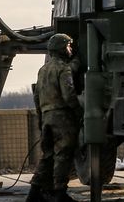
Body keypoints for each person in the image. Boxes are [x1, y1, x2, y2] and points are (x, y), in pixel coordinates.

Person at [30, 33, 82, 202]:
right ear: (61, 48)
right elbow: (68, 95)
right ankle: (60, 193)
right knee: (63, 154)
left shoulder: (42, 70)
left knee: (48, 155)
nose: (70, 48)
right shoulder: (63, 68)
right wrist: (78, 112)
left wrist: (40, 118)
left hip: (46, 117)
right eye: (68, 45)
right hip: (62, 117)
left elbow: (37, 96)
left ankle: (34, 193)